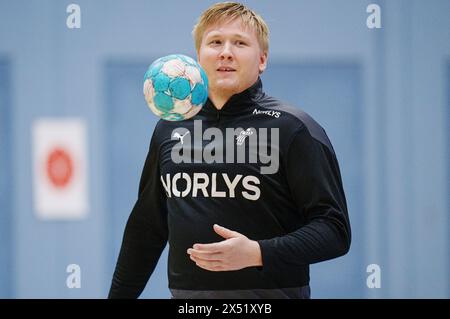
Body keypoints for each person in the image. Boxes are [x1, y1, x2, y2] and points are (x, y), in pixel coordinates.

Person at [108, 1, 351, 299]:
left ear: (262, 59)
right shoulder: (170, 128)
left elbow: (334, 230)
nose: (226, 51)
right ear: (198, 57)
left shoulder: (294, 129)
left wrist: (258, 252)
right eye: (215, 42)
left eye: (239, 42)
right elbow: (147, 228)